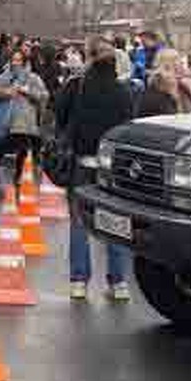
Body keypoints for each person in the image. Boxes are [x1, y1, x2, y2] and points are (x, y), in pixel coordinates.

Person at [55, 39, 135, 301]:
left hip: (81, 163)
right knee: (115, 223)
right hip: (112, 167)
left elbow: (59, 118)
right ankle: (118, 282)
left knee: (79, 222)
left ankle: (79, 281)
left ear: (88, 58)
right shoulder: (124, 92)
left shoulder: (76, 87)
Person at [0, 48, 49, 188]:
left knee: (22, 148)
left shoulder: (33, 77)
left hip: (24, 121)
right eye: (13, 60)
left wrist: (28, 91)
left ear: (24, 62)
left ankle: (18, 176)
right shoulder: (4, 76)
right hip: (4, 120)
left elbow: (44, 95)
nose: (16, 63)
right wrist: (6, 92)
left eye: (18, 60)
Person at [138, 48, 191, 116]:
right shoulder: (153, 96)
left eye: (180, 61)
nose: (180, 65)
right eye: (168, 67)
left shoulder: (184, 89)